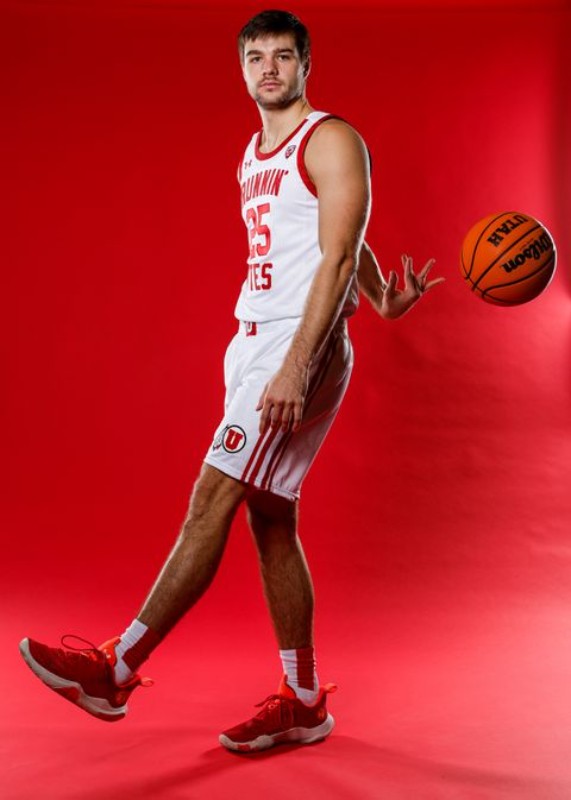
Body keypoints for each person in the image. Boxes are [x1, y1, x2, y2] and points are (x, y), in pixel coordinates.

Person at [19, 9, 443, 753]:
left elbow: (339, 252)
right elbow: (332, 230)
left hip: (296, 346)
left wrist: (298, 363)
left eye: (283, 55)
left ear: (306, 65)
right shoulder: (253, 153)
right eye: (256, 57)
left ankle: (115, 670)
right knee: (270, 518)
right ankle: (304, 700)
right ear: (243, 70)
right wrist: (381, 298)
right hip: (252, 344)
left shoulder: (331, 138)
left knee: (211, 496)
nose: (269, 69)